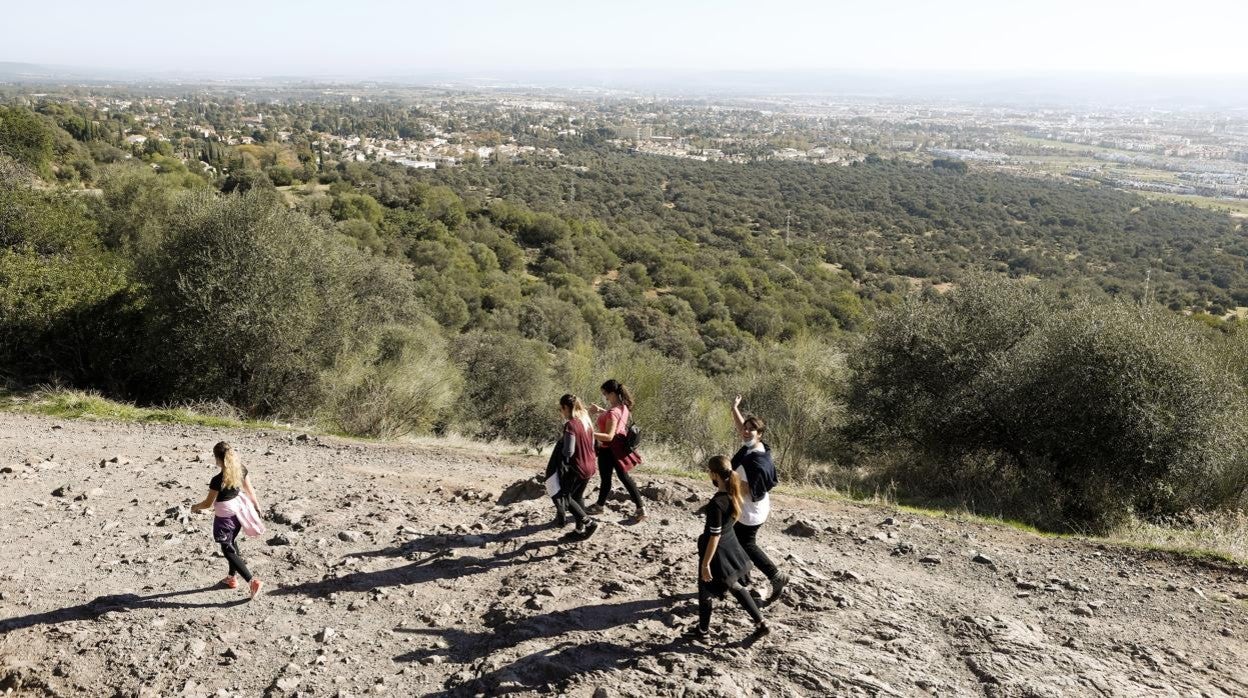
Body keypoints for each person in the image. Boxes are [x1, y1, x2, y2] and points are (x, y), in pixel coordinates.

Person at [686, 455, 769, 640]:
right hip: (731, 546)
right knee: (735, 585)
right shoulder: (735, 493)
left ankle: (703, 631)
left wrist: (706, 563)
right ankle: (761, 623)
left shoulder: (716, 503)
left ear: (713, 474)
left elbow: (714, 536)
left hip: (717, 553)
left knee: (705, 591)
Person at [730, 396, 788, 606]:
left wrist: (725, 484)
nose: (745, 432)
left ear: (760, 434)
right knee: (737, 542)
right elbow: (741, 429)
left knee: (744, 542)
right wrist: (734, 408)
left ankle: (775, 576)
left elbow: (745, 489)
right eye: (745, 428)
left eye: (750, 430)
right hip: (756, 506)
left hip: (750, 510)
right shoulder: (756, 447)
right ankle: (742, 577)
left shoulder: (754, 460)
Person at [191, 441, 266, 599]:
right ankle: (232, 578)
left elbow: (207, 503)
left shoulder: (217, 479)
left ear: (218, 459)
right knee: (232, 542)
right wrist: (257, 507)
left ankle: (252, 581)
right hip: (239, 511)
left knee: (227, 548)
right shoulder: (241, 469)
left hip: (225, 515)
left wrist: (194, 507)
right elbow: (249, 490)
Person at [587, 379, 645, 522]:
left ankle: (599, 506)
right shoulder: (623, 407)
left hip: (608, 449)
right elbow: (615, 416)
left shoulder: (613, 412)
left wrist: (586, 432)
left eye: (605, 394)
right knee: (624, 478)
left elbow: (608, 436)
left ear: (612, 393)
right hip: (619, 449)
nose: (605, 397)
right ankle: (641, 508)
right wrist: (601, 411)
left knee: (606, 480)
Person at [551, 394, 600, 538]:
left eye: (561, 409)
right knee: (578, 497)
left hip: (576, 467)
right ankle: (579, 529)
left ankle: (589, 523)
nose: (562, 412)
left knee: (566, 498)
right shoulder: (586, 421)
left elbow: (569, 451)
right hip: (590, 465)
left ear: (566, 407)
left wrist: (562, 455)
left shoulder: (571, 424)